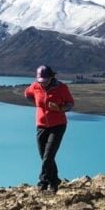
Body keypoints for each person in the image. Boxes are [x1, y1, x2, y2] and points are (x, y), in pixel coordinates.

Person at [25, 65, 74, 193]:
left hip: (58, 125)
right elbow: (28, 94)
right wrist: (37, 103)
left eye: (45, 80)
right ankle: (55, 180)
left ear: (51, 77)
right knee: (45, 156)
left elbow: (70, 104)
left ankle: (43, 182)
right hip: (41, 125)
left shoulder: (61, 87)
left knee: (48, 156)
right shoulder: (35, 86)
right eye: (40, 80)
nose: (42, 83)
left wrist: (59, 108)